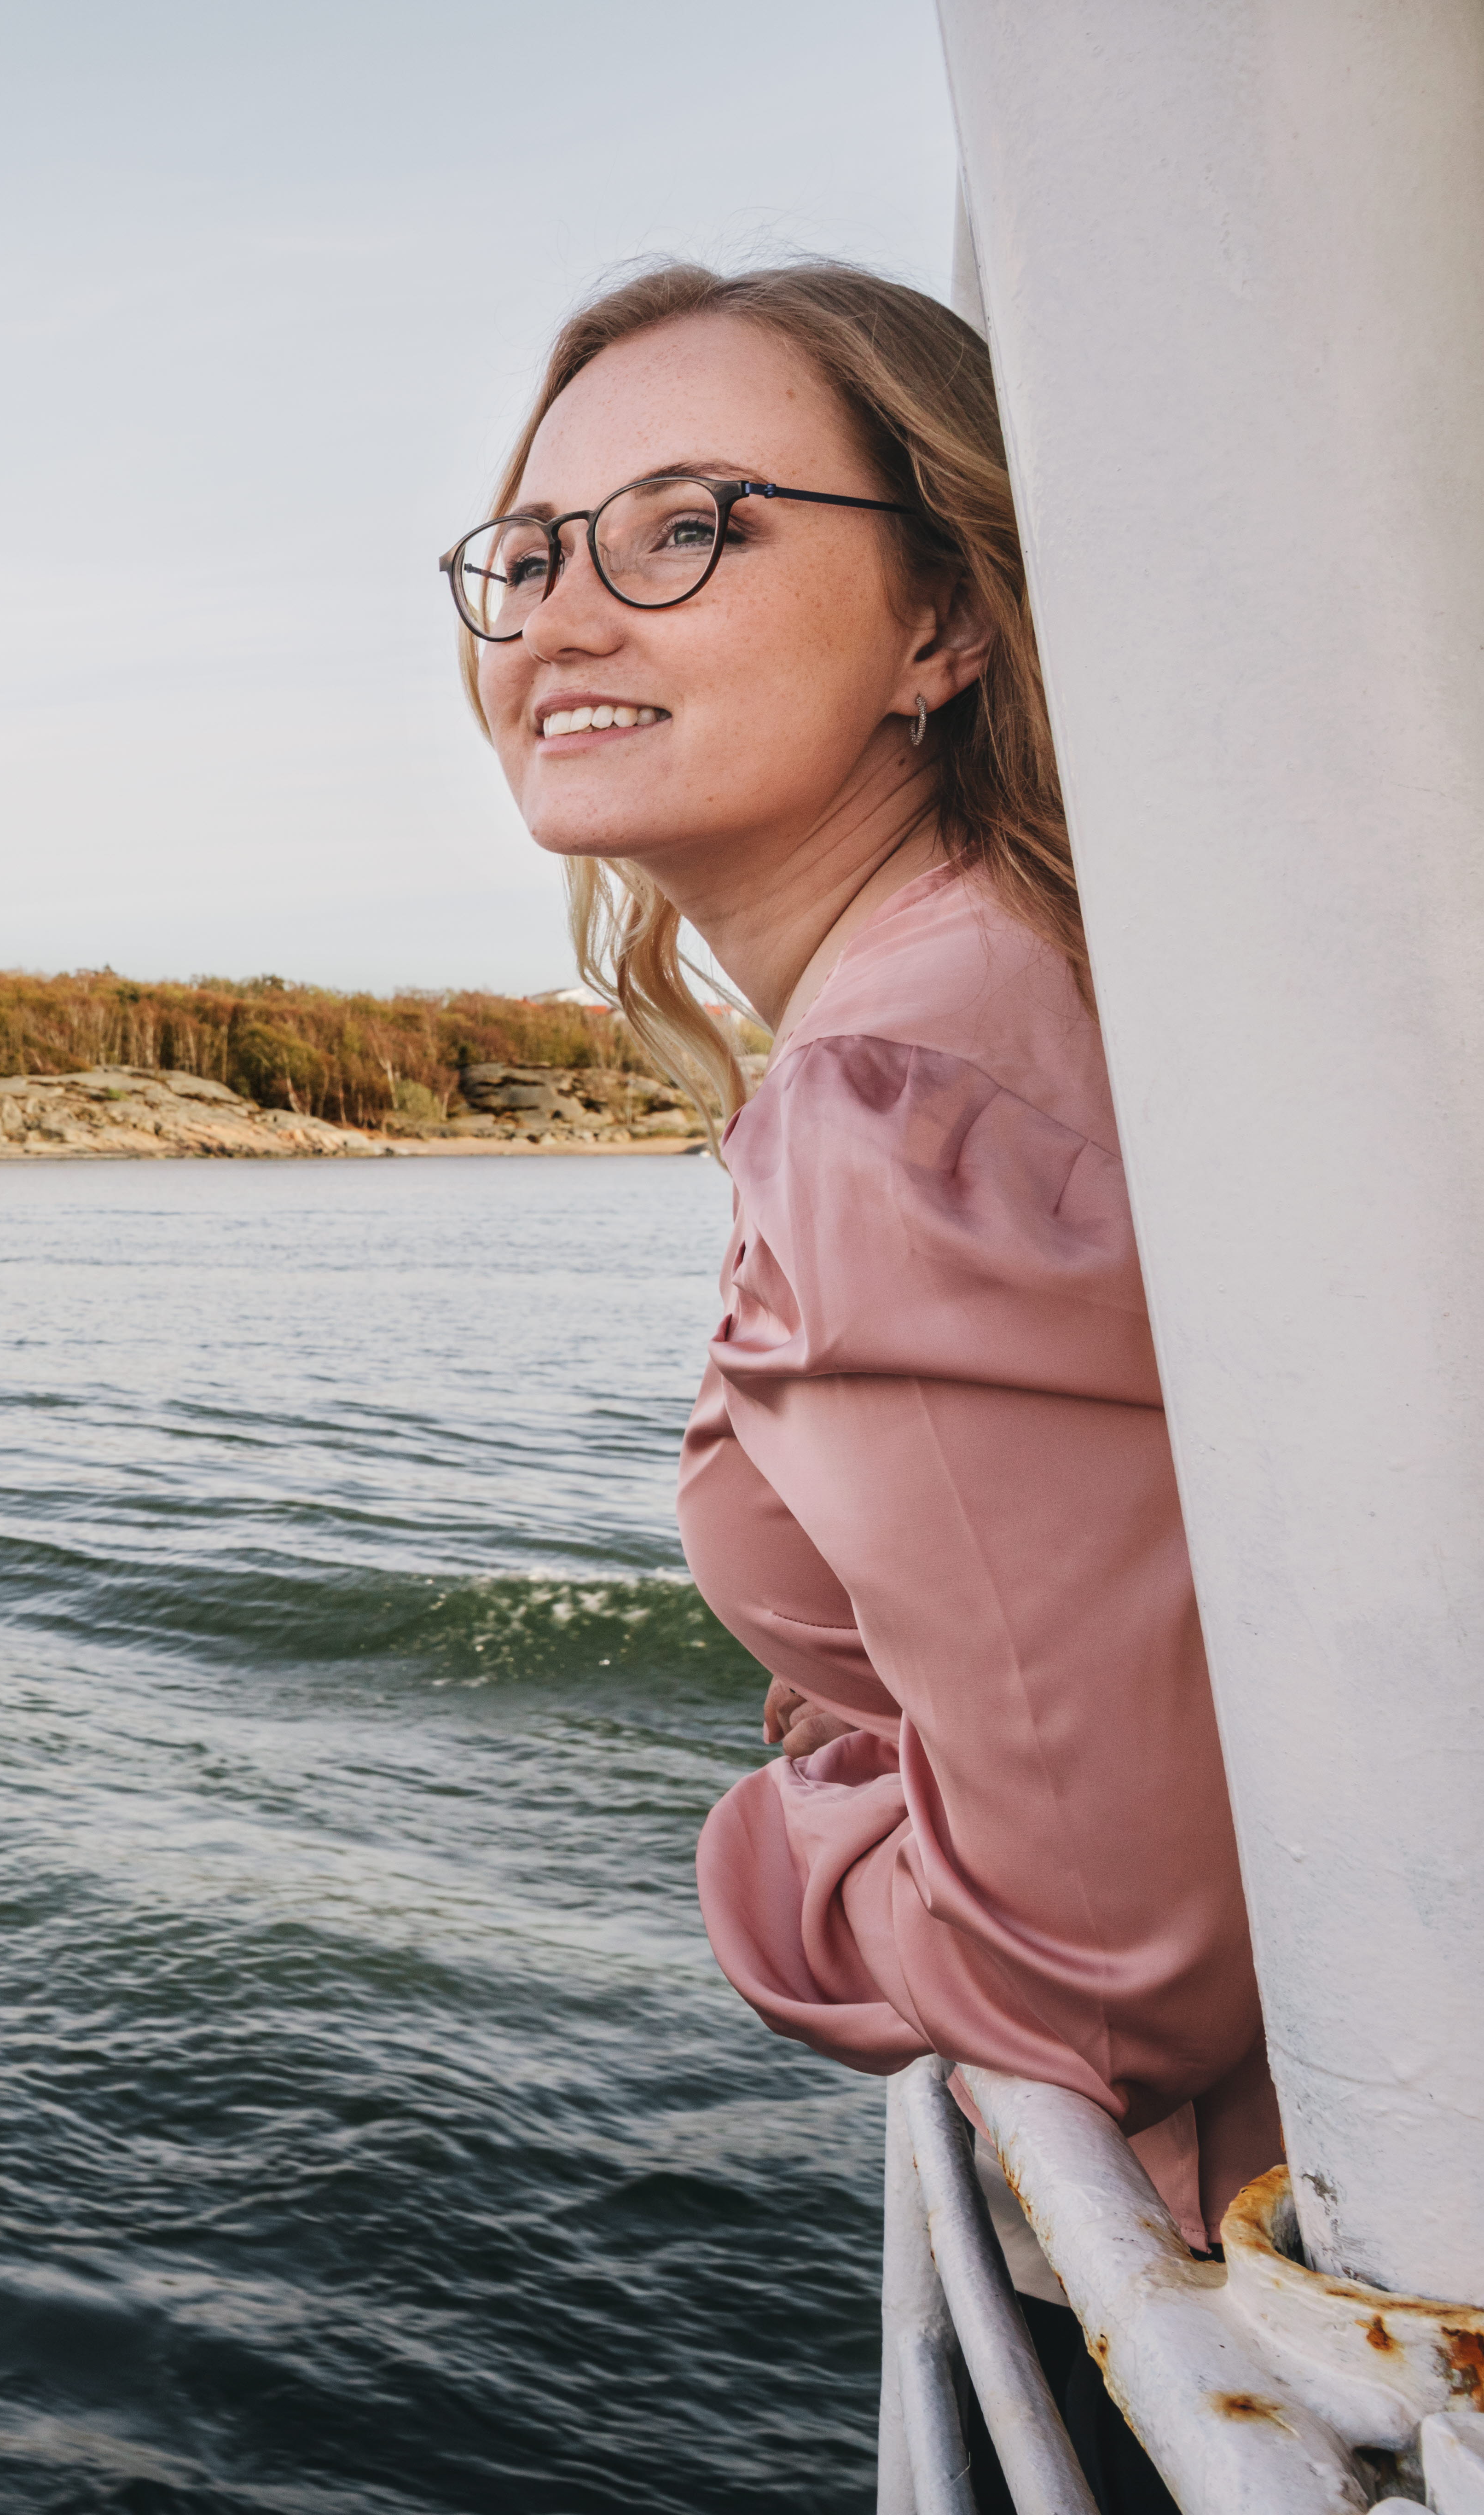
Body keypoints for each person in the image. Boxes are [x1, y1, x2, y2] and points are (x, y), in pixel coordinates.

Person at [442, 261, 1280, 2503]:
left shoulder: (891, 1091)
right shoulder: (1037, 970)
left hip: (1269, 2281)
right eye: (526, 555)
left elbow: (1110, 1962)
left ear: (945, 621)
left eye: (688, 526)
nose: (560, 617)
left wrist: (780, 1857)